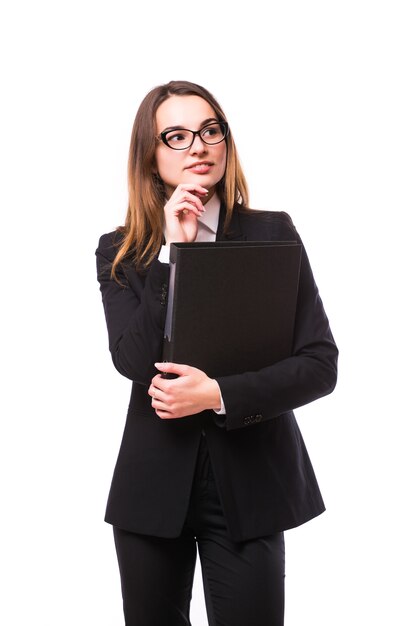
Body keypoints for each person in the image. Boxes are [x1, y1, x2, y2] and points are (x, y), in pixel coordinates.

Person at [96, 80, 338, 626]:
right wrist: (173, 252)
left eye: (210, 130)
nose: (198, 146)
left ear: (226, 142)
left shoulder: (271, 233)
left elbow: (319, 364)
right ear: (151, 158)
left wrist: (218, 394)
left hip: (250, 485)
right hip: (151, 488)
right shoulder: (121, 251)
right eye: (176, 136)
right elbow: (132, 362)